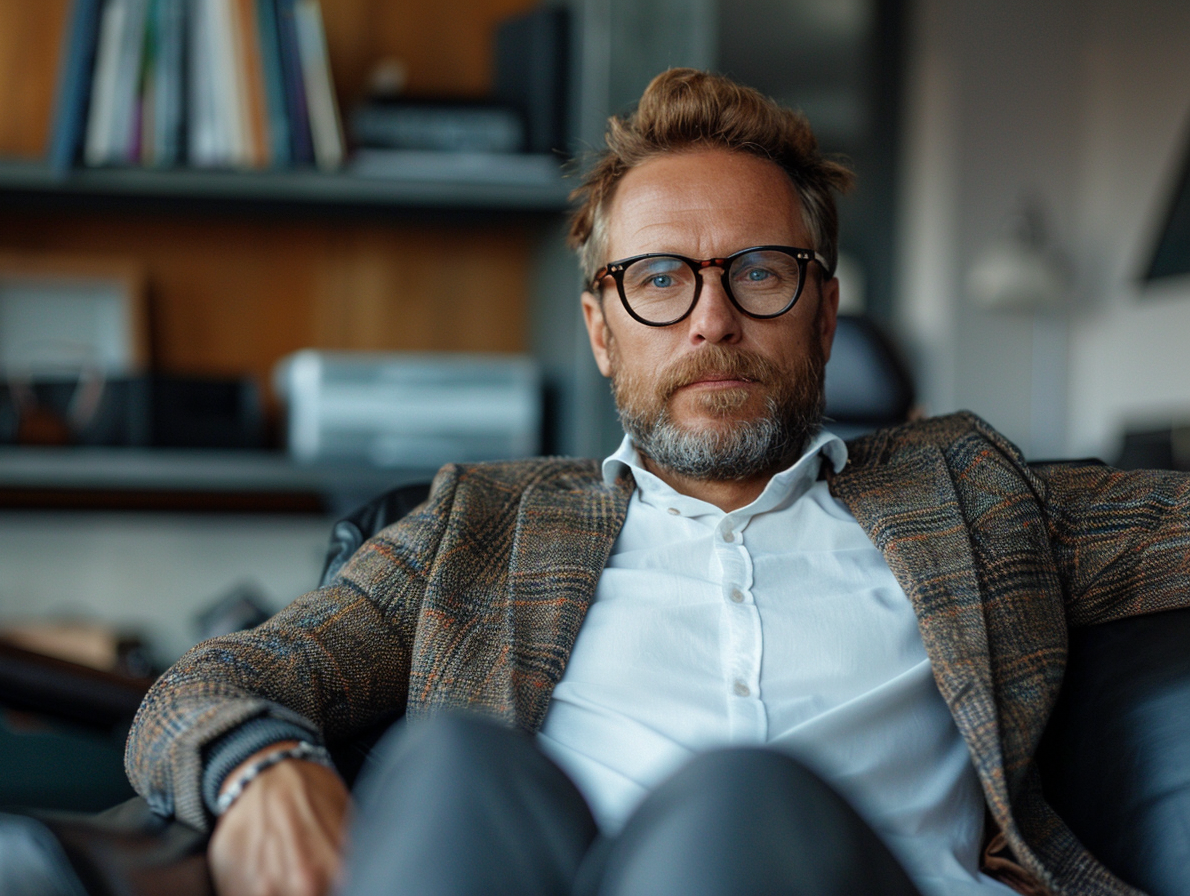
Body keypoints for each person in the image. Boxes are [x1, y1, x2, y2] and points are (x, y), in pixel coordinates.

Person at [125, 69, 1190, 896]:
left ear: (824, 313)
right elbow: (204, 684)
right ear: (601, 327)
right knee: (451, 763)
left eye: (761, 272)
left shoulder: (970, 491)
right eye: (660, 279)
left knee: (741, 798)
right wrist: (254, 766)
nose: (712, 319)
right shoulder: (481, 526)